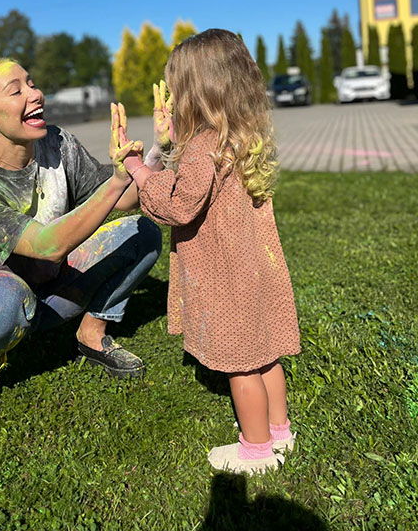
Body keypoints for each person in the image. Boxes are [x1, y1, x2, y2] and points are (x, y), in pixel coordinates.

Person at [0, 57, 163, 441]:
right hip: (3, 303)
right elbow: (48, 245)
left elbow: (126, 201)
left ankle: (91, 333)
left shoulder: (59, 143)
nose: (36, 94)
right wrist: (115, 183)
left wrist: (157, 152)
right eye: (16, 90)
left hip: (59, 291)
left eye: (31, 83)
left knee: (142, 233)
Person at [120, 29, 300, 474]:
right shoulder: (240, 134)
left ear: (196, 92)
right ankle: (280, 431)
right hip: (254, 268)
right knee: (266, 352)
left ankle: (256, 451)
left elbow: (179, 204)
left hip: (227, 274)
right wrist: (173, 141)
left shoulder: (204, 146)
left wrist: (138, 170)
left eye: (177, 89)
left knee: (242, 364)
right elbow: (200, 184)